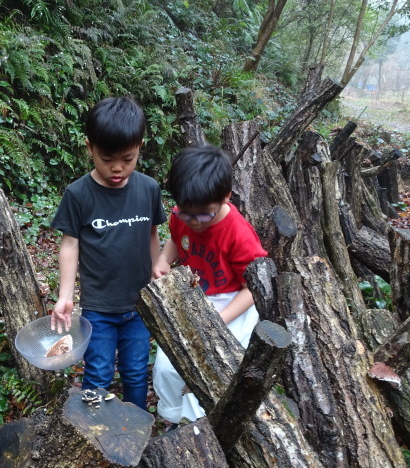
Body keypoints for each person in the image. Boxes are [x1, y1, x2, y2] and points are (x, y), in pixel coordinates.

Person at [50, 97, 166, 410]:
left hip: (139, 306)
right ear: (89, 147)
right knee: (98, 373)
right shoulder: (78, 194)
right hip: (99, 308)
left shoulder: (148, 189)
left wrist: (157, 266)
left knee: (136, 372)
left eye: (127, 159)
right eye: (107, 159)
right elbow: (70, 245)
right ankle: (96, 436)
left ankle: (136, 428)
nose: (117, 168)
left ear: (140, 146)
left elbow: (152, 233)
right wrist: (65, 295)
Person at [151, 144, 268, 424]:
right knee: (168, 365)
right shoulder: (184, 215)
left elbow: (252, 288)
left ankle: (198, 426)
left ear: (226, 197)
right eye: (185, 213)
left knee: (205, 368)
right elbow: (176, 240)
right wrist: (162, 260)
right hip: (196, 297)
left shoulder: (238, 235)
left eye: (203, 215)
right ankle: (172, 418)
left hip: (231, 304)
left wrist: (219, 319)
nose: (193, 222)